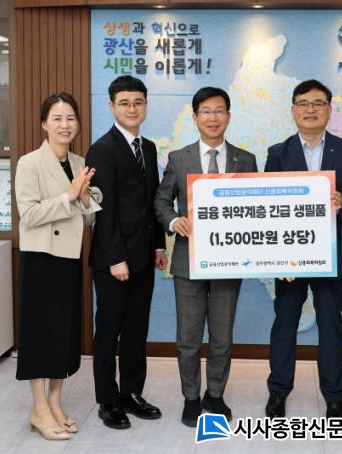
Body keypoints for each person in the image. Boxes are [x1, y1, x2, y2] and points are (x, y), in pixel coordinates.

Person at [264, 79, 342, 421]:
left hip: (331, 251)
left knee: (330, 325)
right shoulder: (278, 153)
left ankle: (334, 397)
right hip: (290, 255)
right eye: (303, 103)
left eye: (318, 103)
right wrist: (277, 257)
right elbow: (266, 204)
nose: (310, 110)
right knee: (285, 323)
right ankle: (278, 392)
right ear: (293, 110)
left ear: (329, 109)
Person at [154, 87, 257, 427]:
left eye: (220, 111)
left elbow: (256, 207)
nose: (214, 118)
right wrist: (174, 221)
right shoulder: (179, 158)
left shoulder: (246, 159)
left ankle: (215, 394)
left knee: (222, 337)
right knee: (188, 338)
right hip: (189, 261)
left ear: (229, 116)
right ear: (195, 117)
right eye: (206, 112)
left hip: (229, 261)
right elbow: (161, 201)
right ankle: (190, 397)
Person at [15, 92, 101, 440]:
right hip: (40, 259)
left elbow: (90, 215)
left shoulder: (80, 162)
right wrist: (70, 196)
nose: (65, 125)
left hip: (68, 258)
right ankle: (38, 408)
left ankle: (54, 402)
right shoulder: (30, 163)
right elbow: (29, 214)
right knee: (39, 335)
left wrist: (84, 197)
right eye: (57, 118)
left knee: (63, 334)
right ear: (44, 124)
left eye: (70, 118)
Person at [86, 75, 168, 430]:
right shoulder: (102, 149)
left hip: (144, 257)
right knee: (108, 333)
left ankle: (131, 393)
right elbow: (102, 211)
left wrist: (159, 244)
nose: (132, 108)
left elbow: (152, 201)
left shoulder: (148, 147)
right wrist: (116, 258)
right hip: (113, 261)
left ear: (145, 105)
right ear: (111, 106)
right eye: (124, 103)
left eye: (138, 102)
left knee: (136, 332)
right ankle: (107, 401)